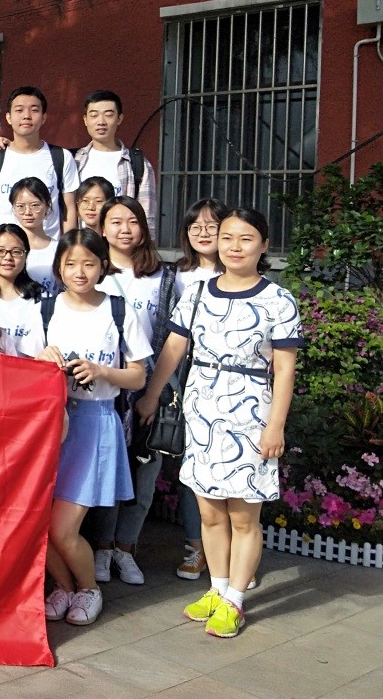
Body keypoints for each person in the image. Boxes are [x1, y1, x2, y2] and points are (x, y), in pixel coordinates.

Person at [135, 208, 301, 639]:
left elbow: (285, 369)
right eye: (227, 237)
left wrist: (276, 426)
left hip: (251, 416)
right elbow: (174, 348)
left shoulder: (278, 300)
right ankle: (217, 588)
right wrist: (152, 394)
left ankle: (235, 601)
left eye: (246, 239)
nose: (234, 246)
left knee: (243, 517)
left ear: (264, 245)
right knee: (209, 512)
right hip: (202, 412)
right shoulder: (197, 293)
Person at [38, 228, 152, 627]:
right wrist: (41, 359)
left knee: (62, 528)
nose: (79, 271)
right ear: (59, 267)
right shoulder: (45, 310)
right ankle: (63, 588)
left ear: (103, 266)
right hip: (51, 425)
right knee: (39, 524)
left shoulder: (119, 310)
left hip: (96, 425)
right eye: (70, 263)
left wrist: (102, 371)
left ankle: (89, 590)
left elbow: (138, 376)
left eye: (89, 263)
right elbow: (22, 369)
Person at [90, 195, 179, 586]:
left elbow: (175, 339)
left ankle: (126, 549)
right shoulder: (94, 272)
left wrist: (153, 394)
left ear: (144, 227)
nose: (124, 229)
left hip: (151, 390)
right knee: (109, 471)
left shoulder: (163, 277)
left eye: (132, 221)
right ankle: (102, 548)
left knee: (144, 473)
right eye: (115, 222)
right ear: (102, 228)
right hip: (107, 389)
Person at [168, 196, 227, 581]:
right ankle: (197, 546)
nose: (203, 233)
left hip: (233, 382)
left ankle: (235, 554)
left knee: (231, 467)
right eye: (195, 227)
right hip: (188, 377)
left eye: (212, 226)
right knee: (193, 465)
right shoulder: (177, 276)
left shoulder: (244, 274)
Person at [0, 86, 79, 247]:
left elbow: (69, 210)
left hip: (49, 251)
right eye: (19, 110)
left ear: (44, 117)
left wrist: (69, 250)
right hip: (5, 252)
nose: (26, 116)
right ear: (8, 117)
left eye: (34, 110)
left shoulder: (61, 157)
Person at [75, 90, 158, 238]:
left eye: (108, 115)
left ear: (119, 119)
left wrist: (146, 248)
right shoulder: (74, 161)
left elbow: (147, 216)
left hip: (121, 245)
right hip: (83, 245)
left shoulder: (137, 164)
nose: (101, 121)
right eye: (94, 115)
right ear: (85, 120)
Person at [0, 224, 45, 357]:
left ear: (26, 255)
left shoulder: (41, 298)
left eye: (16, 252)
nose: (8, 257)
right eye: (0, 251)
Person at [9, 177, 59, 296]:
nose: (27, 212)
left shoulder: (59, 249)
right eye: (20, 206)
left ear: (47, 207)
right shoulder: (5, 249)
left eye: (35, 205)